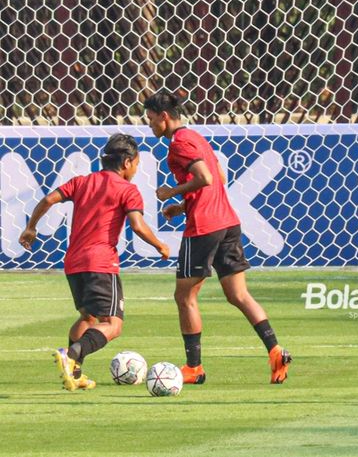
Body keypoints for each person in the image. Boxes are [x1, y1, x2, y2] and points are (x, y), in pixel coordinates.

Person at [143, 91, 292, 385]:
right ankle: (275, 350)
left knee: (184, 296)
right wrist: (183, 205)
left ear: (163, 117)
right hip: (227, 222)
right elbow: (219, 178)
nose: (149, 126)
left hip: (204, 228)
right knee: (238, 295)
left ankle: (193, 367)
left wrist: (170, 193)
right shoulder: (196, 138)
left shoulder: (180, 144)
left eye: (150, 120)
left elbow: (206, 178)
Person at [19, 134, 170, 391]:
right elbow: (137, 224)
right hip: (101, 262)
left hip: (74, 262)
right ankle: (72, 354)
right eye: (136, 164)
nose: (136, 170)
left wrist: (31, 228)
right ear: (126, 162)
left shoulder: (82, 181)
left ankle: (75, 374)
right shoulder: (127, 190)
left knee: (87, 317)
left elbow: (47, 200)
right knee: (113, 324)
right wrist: (160, 245)